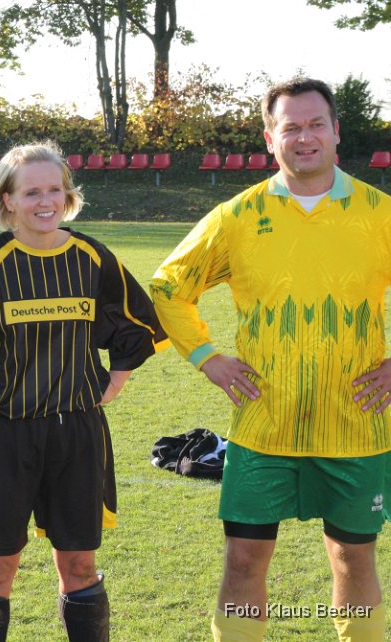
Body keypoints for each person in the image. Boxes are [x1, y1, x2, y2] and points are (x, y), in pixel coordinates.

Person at [150, 76, 391, 642]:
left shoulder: (379, 213)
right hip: (263, 425)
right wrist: (208, 358)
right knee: (243, 560)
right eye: (291, 127)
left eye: (315, 125)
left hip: (355, 424)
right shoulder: (237, 216)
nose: (304, 138)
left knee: (353, 559)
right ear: (270, 138)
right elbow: (168, 288)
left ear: (336, 132)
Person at [0, 142, 168, 642]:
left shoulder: (92, 257)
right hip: (1, 435)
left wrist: (115, 381)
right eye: (31, 192)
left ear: (68, 195)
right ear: (7, 200)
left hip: (77, 433)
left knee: (80, 565)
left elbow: (137, 324)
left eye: (55, 189)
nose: (45, 201)